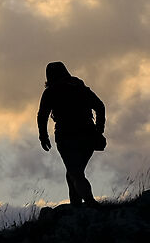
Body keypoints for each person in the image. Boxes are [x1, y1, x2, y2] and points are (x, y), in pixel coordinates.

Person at [37, 62, 107, 205]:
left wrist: (43, 136)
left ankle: (89, 202)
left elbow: (42, 115)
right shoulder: (79, 87)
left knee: (75, 172)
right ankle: (76, 207)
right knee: (74, 172)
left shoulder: (51, 91)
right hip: (87, 135)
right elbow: (100, 106)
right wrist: (98, 131)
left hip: (66, 137)